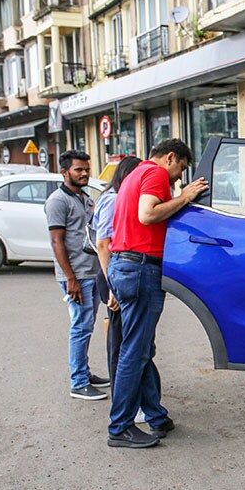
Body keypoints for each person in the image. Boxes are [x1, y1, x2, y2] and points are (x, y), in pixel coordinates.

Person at [106, 139, 208, 448]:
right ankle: (120, 427)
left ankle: (156, 415)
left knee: (140, 347)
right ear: (170, 158)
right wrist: (186, 197)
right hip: (139, 269)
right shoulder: (156, 174)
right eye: (180, 169)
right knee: (135, 351)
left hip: (124, 265)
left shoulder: (134, 174)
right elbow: (147, 215)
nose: (179, 178)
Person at [45, 150, 111, 400]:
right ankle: (78, 382)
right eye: (78, 170)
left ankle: (84, 372)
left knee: (86, 325)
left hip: (91, 271)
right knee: (80, 327)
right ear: (65, 172)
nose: (85, 173)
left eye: (86, 169)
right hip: (76, 276)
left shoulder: (83, 197)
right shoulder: (57, 201)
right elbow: (57, 241)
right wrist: (70, 278)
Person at [92, 156, 142, 388]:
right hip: (113, 274)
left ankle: (123, 393)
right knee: (119, 341)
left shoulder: (114, 197)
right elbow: (103, 245)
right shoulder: (113, 200)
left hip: (115, 273)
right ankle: (121, 395)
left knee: (121, 337)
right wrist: (113, 286)